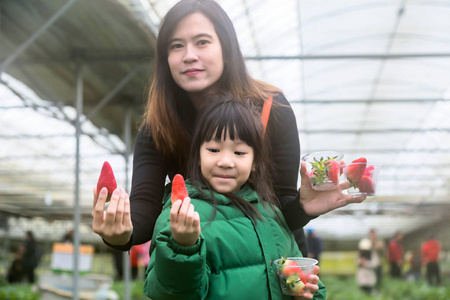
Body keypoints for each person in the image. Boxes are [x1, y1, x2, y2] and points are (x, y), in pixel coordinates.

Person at [92, 0, 365, 259]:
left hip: (270, 267)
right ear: (165, 58)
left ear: (226, 47)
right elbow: (146, 207)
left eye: (202, 42)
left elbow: (282, 209)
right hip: (195, 265)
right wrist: (120, 233)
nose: (189, 56)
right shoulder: (159, 126)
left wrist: (304, 208)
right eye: (176, 46)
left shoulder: (271, 110)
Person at [143, 97, 325, 299]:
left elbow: (302, 282)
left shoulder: (271, 214)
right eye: (213, 150)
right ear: (198, 155)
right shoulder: (182, 212)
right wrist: (183, 246)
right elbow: (171, 294)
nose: (226, 161)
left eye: (239, 152)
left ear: (255, 161)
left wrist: (304, 291)